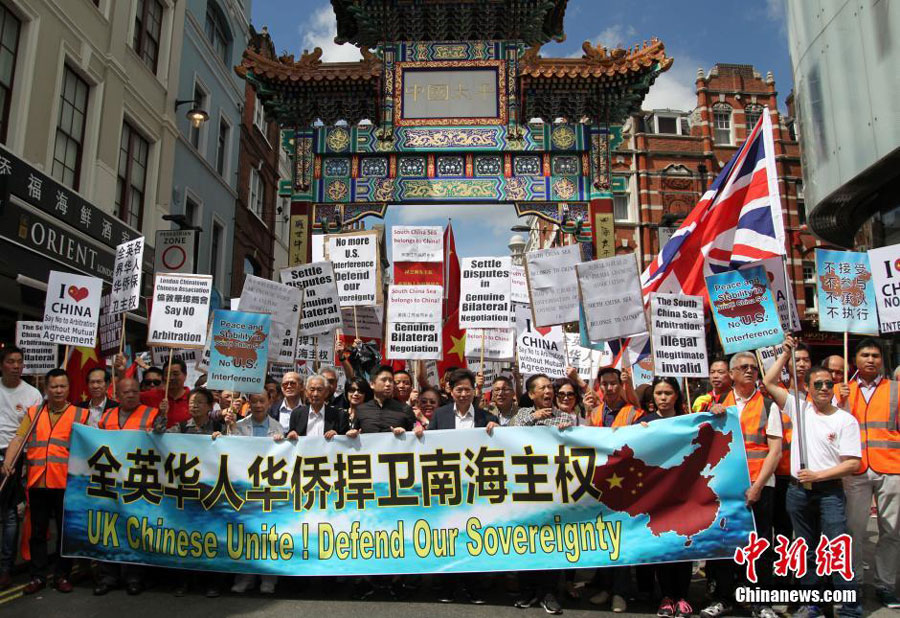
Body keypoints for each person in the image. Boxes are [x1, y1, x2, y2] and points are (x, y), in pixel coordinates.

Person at [763, 337, 862, 618]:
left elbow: (853, 463)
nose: (822, 388)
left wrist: (819, 474)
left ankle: (850, 607)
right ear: (806, 387)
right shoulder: (799, 408)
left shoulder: (844, 420)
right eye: (816, 384)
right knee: (805, 551)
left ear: (833, 388)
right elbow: (769, 383)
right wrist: (784, 354)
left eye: (827, 384)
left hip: (829, 492)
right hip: (798, 492)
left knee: (835, 547)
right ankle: (813, 604)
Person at [701, 354, 782, 618]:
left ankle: (761, 602)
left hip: (759, 487)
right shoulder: (715, 405)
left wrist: (757, 487)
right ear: (731, 374)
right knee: (725, 545)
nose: (749, 371)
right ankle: (724, 598)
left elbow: (775, 451)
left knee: (760, 546)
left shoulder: (769, 406)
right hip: (726, 488)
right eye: (742, 367)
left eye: (753, 367)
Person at [2, 368, 87, 594]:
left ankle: (62, 575)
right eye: (54, 386)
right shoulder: (34, 413)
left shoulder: (80, 415)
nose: (58, 390)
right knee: (37, 534)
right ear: (46, 389)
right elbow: (19, 438)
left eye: (63, 386)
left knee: (64, 533)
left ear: (69, 389)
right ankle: (38, 576)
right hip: (38, 483)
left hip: (66, 485)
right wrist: (8, 463)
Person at [417, 369, 497, 604]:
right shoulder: (440, 415)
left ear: (475, 391)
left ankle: (473, 587)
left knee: (473, 535)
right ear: (450, 391)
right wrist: (420, 433)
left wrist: (497, 430)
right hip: (447, 484)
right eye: (458, 389)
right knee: (450, 534)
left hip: (475, 486)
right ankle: (448, 586)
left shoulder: (484, 417)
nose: (463, 393)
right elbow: (428, 444)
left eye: (467, 389)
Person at [837, 338, 900, 608]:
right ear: (855, 361)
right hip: (855, 468)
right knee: (854, 529)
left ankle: (885, 585)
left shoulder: (896, 390)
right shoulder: (842, 391)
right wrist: (841, 402)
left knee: (892, 530)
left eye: (875, 355)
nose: (871, 359)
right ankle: (856, 583)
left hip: (892, 467)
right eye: (865, 355)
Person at [509, 374, 574, 615]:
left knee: (551, 540)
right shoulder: (523, 415)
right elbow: (508, 437)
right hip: (526, 487)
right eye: (542, 388)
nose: (548, 391)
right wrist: (533, 419)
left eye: (550, 387)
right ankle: (527, 591)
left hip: (554, 486)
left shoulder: (565, 416)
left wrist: (569, 432)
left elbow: (577, 444)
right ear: (532, 394)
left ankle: (549, 593)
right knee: (528, 540)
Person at [93, 378, 161, 596]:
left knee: (135, 528)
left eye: (134, 391)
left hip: (138, 480)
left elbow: (161, 438)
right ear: (117, 396)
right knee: (108, 529)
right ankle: (108, 576)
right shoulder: (106, 417)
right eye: (126, 392)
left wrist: (163, 420)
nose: (131, 395)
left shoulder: (151, 413)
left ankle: (134, 577)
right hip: (110, 481)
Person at [216, 390, 283, 595]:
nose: (258, 405)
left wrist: (285, 440)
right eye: (254, 401)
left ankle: (269, 579)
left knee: (268, 532)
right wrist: (225, 431)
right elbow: (229, 450)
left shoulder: (278, 427)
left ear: (269, 402)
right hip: (244, 486)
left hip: (268, 488)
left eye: (262, 401)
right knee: (245, 533)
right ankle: (245, 577)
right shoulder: (239, 425)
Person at [165, 387, 223, 597]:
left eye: (199, 402)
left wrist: (225, 436)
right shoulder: (180, 428)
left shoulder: (218, 427)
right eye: (191, 402)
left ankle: (212, 582)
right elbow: (157, 435)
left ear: (209, 406)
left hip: (210, 492)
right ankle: (184, 581)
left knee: (211, 537)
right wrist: (162, 415)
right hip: (186, 491)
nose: (194, 405)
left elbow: (235, 449)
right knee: (185, 537)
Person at [0, 346, 41, 589]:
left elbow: (30, 432)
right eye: (10, 361)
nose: (16, 366)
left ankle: (5, 567)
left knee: (10, 517)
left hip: (16, 459)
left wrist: (17, 462)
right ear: (2, 364)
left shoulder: (33, 394)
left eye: (19, 362)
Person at [284, 374, 356, 440]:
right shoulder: (296, 414)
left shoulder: (339, 415)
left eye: (319, 390)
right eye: (312, 390)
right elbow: (290, 437)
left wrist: (337, 436)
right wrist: (290, 435)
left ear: (326, 392)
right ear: (306, 392)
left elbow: (346, 441)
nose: (315, 394)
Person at [353, 366, 416, 435]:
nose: (388, 384)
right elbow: (354, 434)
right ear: (372, 384)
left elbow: (414, 437)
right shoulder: (361, 410)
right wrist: (352, 434)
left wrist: (406, 433)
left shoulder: (405, 409)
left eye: (391, 381)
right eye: (384, 380)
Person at [139, 357, 191, 428]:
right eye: (167, 374)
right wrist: (121, 372)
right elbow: (125, 395)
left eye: (175, 374)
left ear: (185, 375)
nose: (171, 378)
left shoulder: (193, 398)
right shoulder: (152, 395)